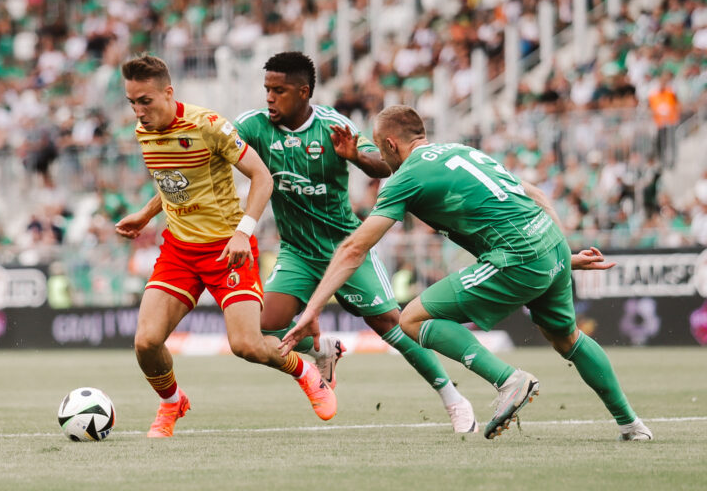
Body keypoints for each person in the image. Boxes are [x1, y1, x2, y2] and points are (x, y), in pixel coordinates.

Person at [281, 105, 653, 442]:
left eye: (379, 149)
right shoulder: (461, 151)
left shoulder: (404, 178)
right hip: (550, 242)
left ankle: (509, 381)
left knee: (411, 319)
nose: (380, 157)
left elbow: (353, 248)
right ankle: (631, 424)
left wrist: (312, 309)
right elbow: (535, 194)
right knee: (567, 338)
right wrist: (564, 255)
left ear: (391, 144)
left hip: (517, 257)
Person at [234, 51, 477, 432]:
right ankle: (320, 351)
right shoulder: (253, 126)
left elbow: (386, 164)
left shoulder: (333, 126)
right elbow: (216, 146)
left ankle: (453, 398)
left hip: (346, 248)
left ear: (304, 92)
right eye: (266, 89)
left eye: (278, 90)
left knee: (392, 324)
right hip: (297, 251)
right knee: (265, 329)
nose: (268, 98)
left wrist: (356, 158)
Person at [115, 55, 336, 438]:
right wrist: (146, 213)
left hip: (227, 248)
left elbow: (262, 178)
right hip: (180, 250)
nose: (138, 111)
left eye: (145, 101)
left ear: (169, 92)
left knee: (247, 346)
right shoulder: (143, 130)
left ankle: (305, 370)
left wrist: (242, 232)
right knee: (146, 342)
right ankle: (172, 404)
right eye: (131, 102)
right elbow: (173, 178)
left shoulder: (209, 125)